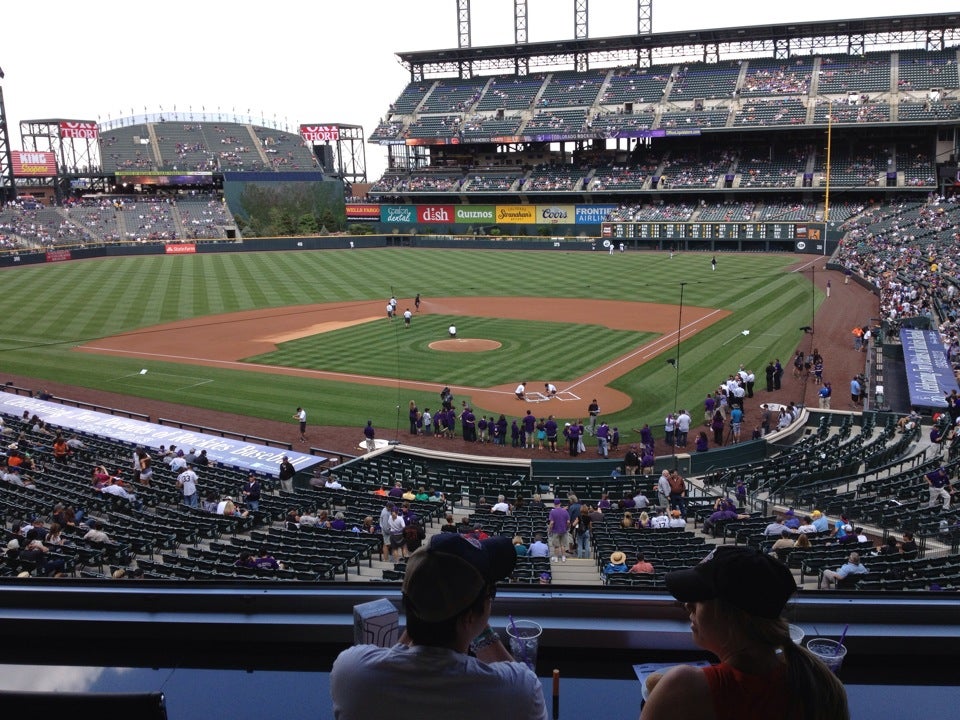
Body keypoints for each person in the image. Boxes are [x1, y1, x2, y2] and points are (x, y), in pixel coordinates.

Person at [330, 534, 548, 720]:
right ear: (470, 617)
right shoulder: (520, 693)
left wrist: (426, 605)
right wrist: (481, 627)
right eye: (490, 594)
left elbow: (395, 656)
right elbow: (523, 683)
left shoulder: (351, 674)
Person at [643, 546, 849, 720]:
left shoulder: (682, 687)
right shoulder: (817, 686)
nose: (688, 605)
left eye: (700, 597)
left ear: (735, 617)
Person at [548, 498, 569, 563]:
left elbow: (551, 523)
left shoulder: (552, 512)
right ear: (560, 503)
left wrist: (549, 529)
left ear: (554, 504)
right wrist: (566, 527)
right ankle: (563, 557)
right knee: (563, 545)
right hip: (563, 530)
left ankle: (556, 558)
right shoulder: (565, 511)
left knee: (556, 546)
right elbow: (568, 522)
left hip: (555, 531)